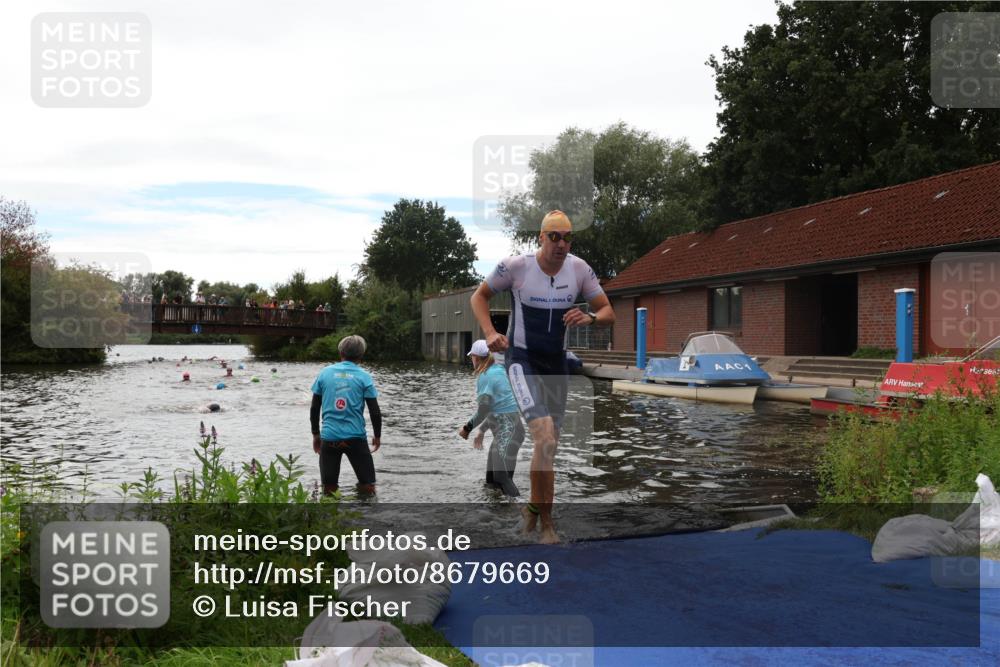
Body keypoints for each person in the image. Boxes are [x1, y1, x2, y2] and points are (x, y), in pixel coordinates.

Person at [470, 210, 615, 543]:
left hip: (555, 364)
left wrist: (590, 317)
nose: (561, 244)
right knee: (545, 438)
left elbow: (608, 311)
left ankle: (532, 512)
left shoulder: (579, 270)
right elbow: (479, 296)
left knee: (549, 449)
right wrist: (490, 332)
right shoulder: (517, 266)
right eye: (554, 237)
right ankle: (548, 525)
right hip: (522, 360)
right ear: (540, 236)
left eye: (567, 237)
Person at [310, 335, 382, 496]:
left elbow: (315, 407)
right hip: (356, 439)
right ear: (361, 355)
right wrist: (377, 437)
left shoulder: (324, 373)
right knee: (368, 486)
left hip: (329, 439)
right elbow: (375, 411)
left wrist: (316, 434)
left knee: (329, 488)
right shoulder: (364, 376)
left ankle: (330, 518)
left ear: (340, 352)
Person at [458, 339, 525, 497]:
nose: (471, 360)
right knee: (491, 480)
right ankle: (496, 512)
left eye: (472, 357)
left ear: (476, 357)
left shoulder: (485, 376)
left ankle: (520, 511)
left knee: (501, 478)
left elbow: (484, 410)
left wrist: (467, 428)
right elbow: (499, 410)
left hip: (507, 433)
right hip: (513, 431)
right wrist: (482, 430)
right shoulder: (499, 369)